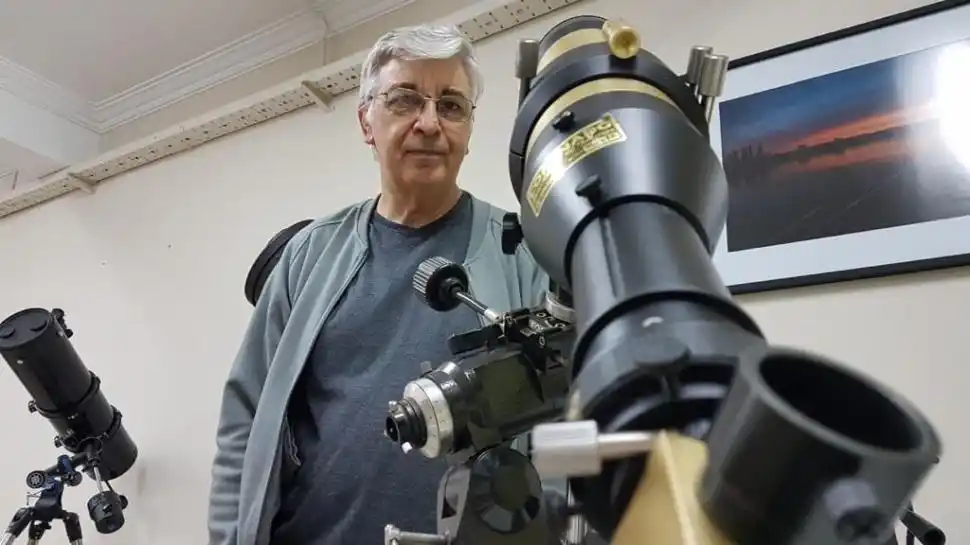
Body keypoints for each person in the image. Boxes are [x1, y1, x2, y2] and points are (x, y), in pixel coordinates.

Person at [206, 23, 549, 545]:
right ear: (367, 120)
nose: (430, 123)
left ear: (470, 129)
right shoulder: (308, 256)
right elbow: (245, 421)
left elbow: (563, 425)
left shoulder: (522, 254)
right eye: (406, 100)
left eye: (452, 106)